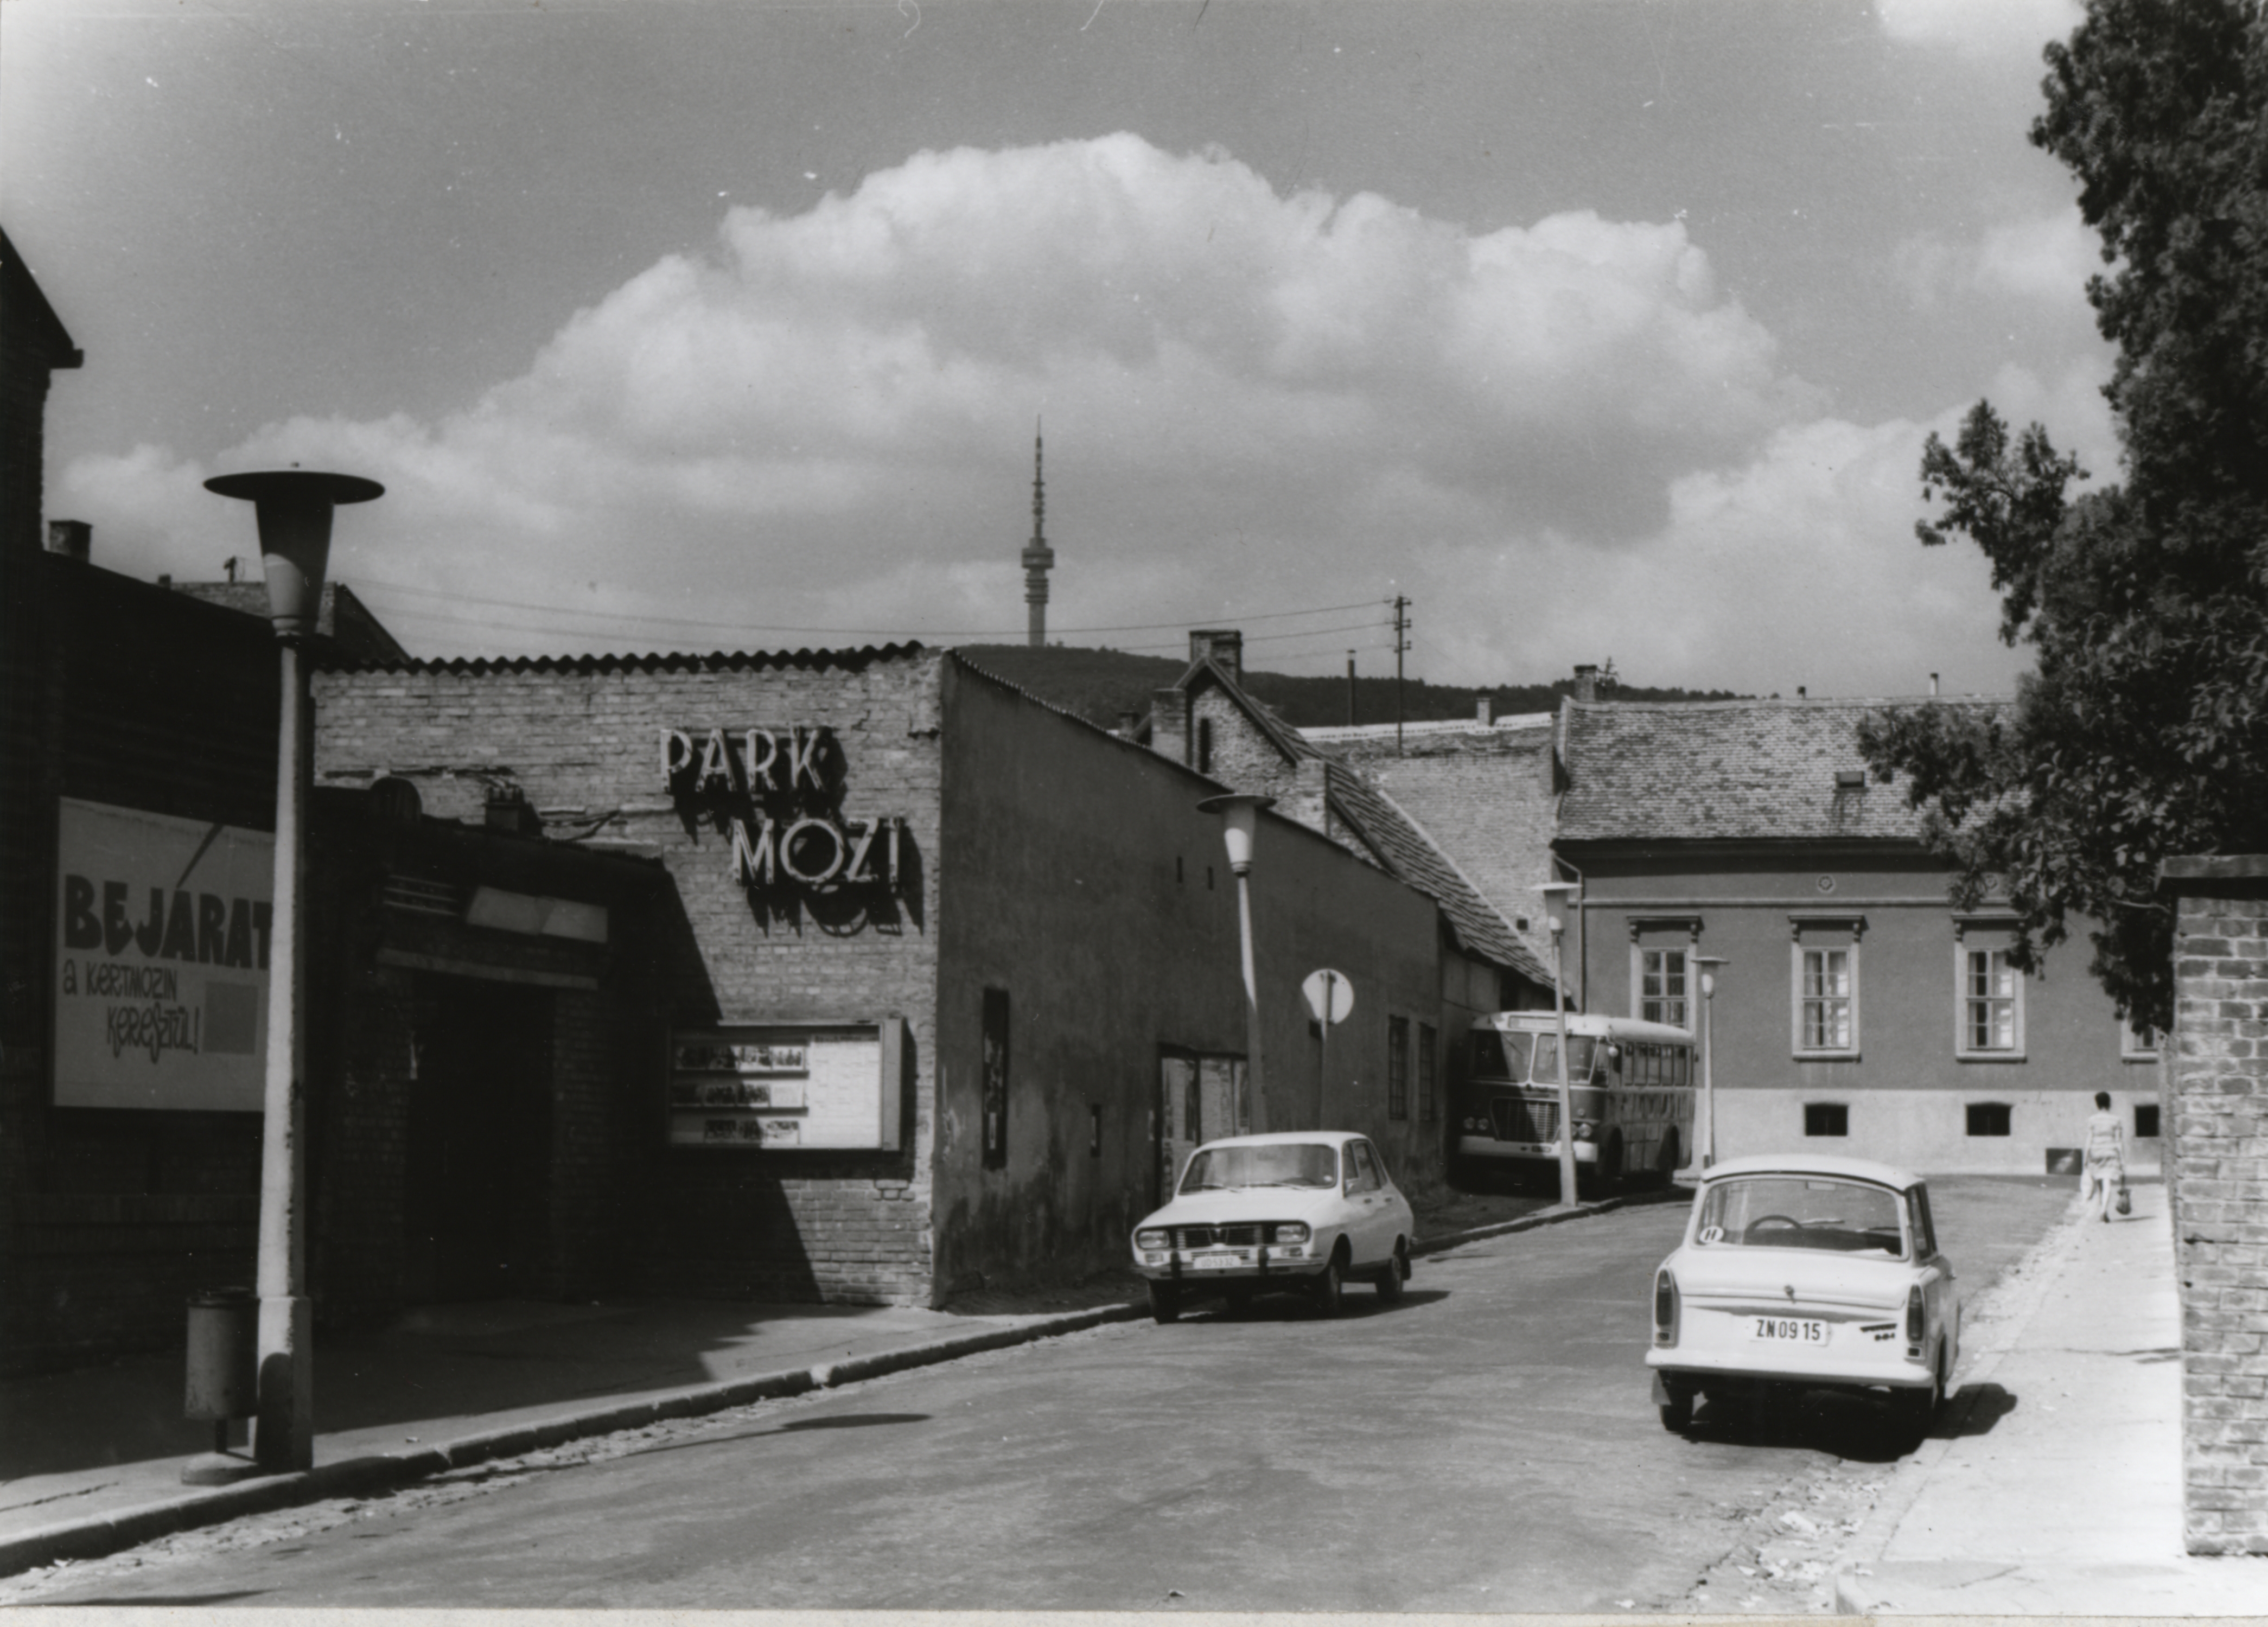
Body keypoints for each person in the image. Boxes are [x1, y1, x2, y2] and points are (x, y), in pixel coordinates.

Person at [2083, 1091, 2125, 1222]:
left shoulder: (2092, 1120)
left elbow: (2089, 1139)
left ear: (2097, 1104)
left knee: (2101, 1183)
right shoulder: (2116, 1120)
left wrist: (2085, 1157)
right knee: (2107, 1182)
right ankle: (2103, 1211)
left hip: (2096, 1153)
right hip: (2110, 1152)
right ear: (2109, 1103)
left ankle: (2104, 1210)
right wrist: (2123, 1158)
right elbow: (2119, 1141)